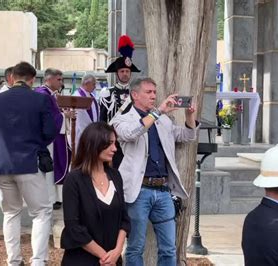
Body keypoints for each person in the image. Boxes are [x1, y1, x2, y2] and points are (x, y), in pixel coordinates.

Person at [112, 77, 199, 265]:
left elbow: (187, 136)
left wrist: (190, 116)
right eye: (148, 92)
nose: (153, 96)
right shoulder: (122, 120)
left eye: (154, 92)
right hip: (138, 191)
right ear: (135, 95)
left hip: (163, 191)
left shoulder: (163, 121)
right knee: (135, 247)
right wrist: (158, 111)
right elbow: (131, 133)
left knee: (169, 249)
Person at [0, 61, 56, 266]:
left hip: (0, 165)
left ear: (12, 77)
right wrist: (36, 142)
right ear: (32, 80)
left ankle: (13, 260)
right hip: (29, 163)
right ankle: (38, 261)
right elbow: (50, 132)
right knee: (41, 212)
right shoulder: (40, 100)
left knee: (11, 212)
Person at [61, 122, 130, 265]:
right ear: (95, 144)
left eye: (115, 143)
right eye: (110, 144)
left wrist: (117, 252)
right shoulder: (74, 180)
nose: (115, 149)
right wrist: (104, 256)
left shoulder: (115, 176)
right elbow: (73, 226)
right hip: (82, 260)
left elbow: (124, 219)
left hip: (113, 259)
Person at [99, 35, 141, 168]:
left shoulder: (137, 94)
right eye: (122, 71)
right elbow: (102, 120)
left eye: (127, 71)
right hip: (114, 142)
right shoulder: (107, 93)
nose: (125, 74)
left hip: (134, 139)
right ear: (117, 73)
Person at [35, 68, 72, 210]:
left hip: (54, 136)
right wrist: (64, 116)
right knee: (49, 167)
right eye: (59, 79)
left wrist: (63, 114)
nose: (61, 82)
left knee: (55, 165)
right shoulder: (43, 94)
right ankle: (49, 199)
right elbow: (48, 118)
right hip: (48, 139)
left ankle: (55, 197)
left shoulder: (51, 94)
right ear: (49, 79)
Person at [71, 73, 99, 152]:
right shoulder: (77, 96)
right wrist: (91, 131)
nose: (95, 86)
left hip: (92, 132)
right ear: (87, 83)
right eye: (93, 84)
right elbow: (81, 119)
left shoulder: (91, 96)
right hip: (82, 133)